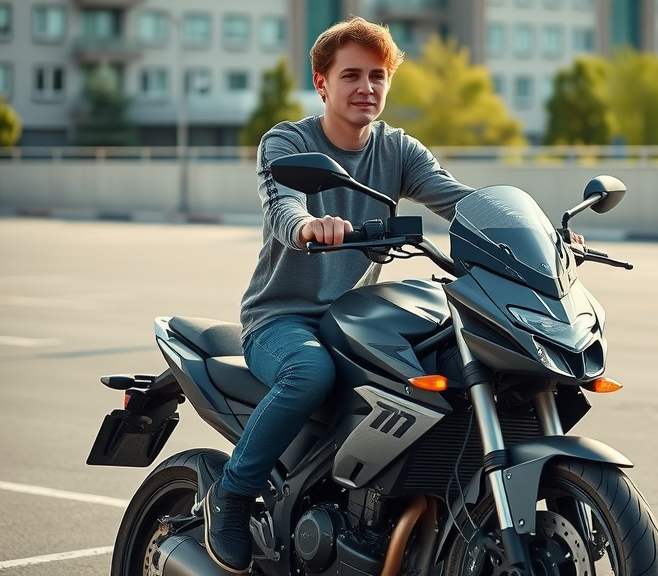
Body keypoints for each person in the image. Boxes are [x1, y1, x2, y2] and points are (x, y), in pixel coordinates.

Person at [202, 17, 475, 574]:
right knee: (309, 373)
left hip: (357, 320)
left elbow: (459, 199)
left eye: (378, 76)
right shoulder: (288, 141)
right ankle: (231, 496)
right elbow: (281, 204)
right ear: (322, 82)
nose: (366, 88)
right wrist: (307, 226)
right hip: (282, 320)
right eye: (351, 75)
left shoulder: (397, 149)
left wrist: (541, 231)